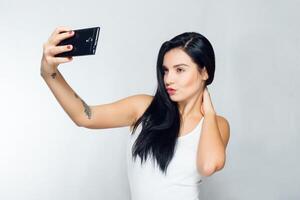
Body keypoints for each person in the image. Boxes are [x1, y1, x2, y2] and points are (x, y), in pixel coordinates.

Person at [40, 26, 230, 200]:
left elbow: (208, 166)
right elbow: (84, 116)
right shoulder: (143, 108)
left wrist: (210, 112)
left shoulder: (216, 124)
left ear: (204, 72)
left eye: (180, 70)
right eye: (165, 71)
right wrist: (49, 72)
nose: (169, 79)